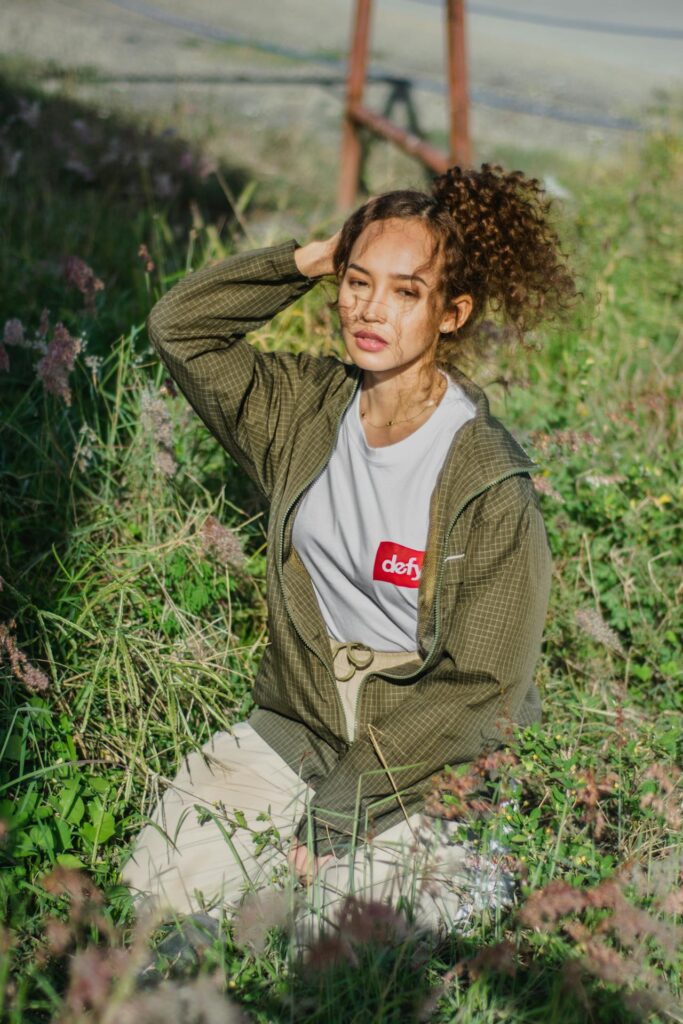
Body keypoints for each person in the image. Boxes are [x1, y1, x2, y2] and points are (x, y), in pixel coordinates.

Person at [121, 163, 576, 948]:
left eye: (405, 291)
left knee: (335, 942)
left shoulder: (486, 482)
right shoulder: (302, 409)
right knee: (162, 890)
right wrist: (307, 257)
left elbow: (482, 687)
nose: (370, 309)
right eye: (357, 282)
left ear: (452, 314)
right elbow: (180, 327)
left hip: (424, 759)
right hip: (298, 725)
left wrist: (338, 810)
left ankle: (470, 870)